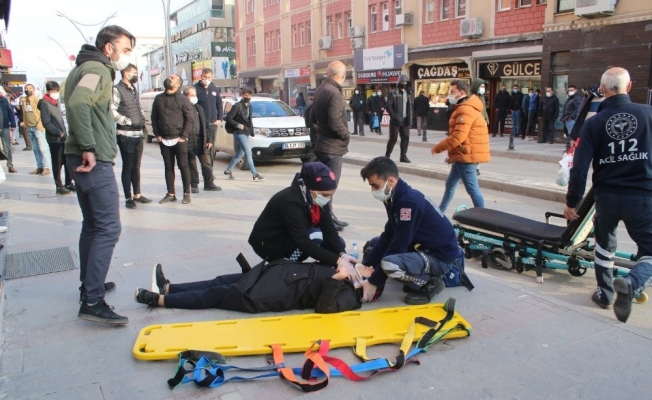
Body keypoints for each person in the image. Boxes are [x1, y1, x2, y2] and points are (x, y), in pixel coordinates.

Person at [564, 67, 652, 323]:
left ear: (602, 90)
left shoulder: (593, 124)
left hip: (607, 197)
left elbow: (579, 168)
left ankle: (604, 293)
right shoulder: (648, 115)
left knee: (605, 244)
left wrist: (572, 203)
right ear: (630, 86)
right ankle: (633, 282)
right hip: (642, 197)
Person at [64, 25, 136, 325]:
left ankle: (89, 285)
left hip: (79, 155)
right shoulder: (98, 68)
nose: (127, 56)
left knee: (93, 226)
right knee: (108, 229)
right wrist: (90, 147)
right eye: (125, 49)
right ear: (109, 47)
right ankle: (92, 301)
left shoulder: (82, 67)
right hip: (93, 161)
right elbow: (79, 103)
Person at [357, 157, 464, 305]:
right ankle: (415, 275)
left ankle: (430, 283)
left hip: (440, 258)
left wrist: (374, 281)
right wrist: (367, 266)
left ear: (391, 181)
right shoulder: (394, 197)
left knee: (389, 264)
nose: (374, 191)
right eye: (372, 186)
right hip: (421, 246)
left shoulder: (408, 202)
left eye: (375, 186)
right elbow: (389, 234)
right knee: (375, 244)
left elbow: (399, 244)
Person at [249, 162, 354, 271]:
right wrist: (338, 261)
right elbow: (303, 242)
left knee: (338, 243)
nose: (328, 199)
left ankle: (323, 272)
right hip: (272, 243)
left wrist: (342, 255)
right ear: (311, 189)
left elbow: (329, 229)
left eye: (331, 195)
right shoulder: (290, 200)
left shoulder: (317, 198)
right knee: (315, 236)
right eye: (325, 195)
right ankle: (284, 267)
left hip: (293, 237)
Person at [134, 261, 360, 312]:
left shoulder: (352, 296)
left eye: (367, 268)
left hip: (266, 294)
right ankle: (168, 288)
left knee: (215, 294)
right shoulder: (348, 271)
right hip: (271, 275)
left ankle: (159, 300)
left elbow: (325, 308)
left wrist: (336, 279)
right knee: (219, 281)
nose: (363, 265)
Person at [431, 79, 490, 213]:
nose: (450, 95)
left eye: (452, 92)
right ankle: (440, 213)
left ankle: (484, 218)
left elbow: (459, 136)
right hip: (461, 154)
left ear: (462, 92)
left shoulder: (465, 109)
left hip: (466, 155)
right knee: (450, 184)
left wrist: (438, 148)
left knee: (472, 189)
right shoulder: (464, 107)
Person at [309, 60, 351, 230]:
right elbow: (335, 122)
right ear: (343, 76)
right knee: (330, 185)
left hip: (322, 143)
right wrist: (346, 135)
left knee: (323, 184)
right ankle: (327, 219)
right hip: (332, 147)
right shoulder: (334, 93)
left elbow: (312, 115)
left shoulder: (321, 89)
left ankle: (326, 215)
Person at [111, 64, 153, 209]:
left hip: (138, 133)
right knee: (128, 166)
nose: (136, 75)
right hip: (125, 134)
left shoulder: (133, 89)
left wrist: (141, 119)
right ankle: (128, 197)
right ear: (126, 73)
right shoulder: (117, 89)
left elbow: (137, 106)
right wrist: (127, 121)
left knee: (136, 166)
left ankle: (138, 194)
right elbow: (111, 110)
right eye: (134, 72)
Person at [151, 74, 194, 204]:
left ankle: (186, 193)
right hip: (164, 139)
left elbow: (189, 118)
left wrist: (183, 136)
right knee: (168, 167)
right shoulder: (158, 98)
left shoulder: (183, 99)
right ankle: (171, 193)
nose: (169, 77)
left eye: (173, 78)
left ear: (177, 85)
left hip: (179, 139)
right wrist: (157, 134)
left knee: (183, 166)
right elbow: (154, 117)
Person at [38, 81, 74, 194]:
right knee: (57, 163)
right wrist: (58, 132)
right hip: (55, 139)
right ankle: (59, 186)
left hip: (64, 137)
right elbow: (46, 122)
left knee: (67, 161)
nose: (55, 93)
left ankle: (69, 183)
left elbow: (61, 120)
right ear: (48, 91)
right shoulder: (44, 103)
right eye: (53, 91)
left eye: (56, 91)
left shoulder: (56, 102)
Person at [182, 86, 221, 192]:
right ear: (186, 96)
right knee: (191, 163)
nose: (195, 97)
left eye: (195, 95)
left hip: (201, 139)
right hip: (189, 140)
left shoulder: (199, 108)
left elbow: (206, 125)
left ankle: (209, 183)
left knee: (206, 162)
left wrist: (208, 139)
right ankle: (194, 184)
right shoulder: (182, 108)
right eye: (192, 95)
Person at [223, 87, 264, 181]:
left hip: (246, 132)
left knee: (239, 154)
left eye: (249, 95)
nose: (248, 97)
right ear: (241, 95)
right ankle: (255, 174)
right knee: (248, 152)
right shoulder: (237, 106)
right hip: (239, 132)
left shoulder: (249, 106)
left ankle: (228, 170)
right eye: (246, 95)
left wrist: (252, 132)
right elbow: (229, 118)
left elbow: (250, 120)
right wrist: (238, 125)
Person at [20, 84, 52, 176]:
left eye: (30, 88)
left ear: (33, 90)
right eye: (26, 88)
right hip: (29, 127)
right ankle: (40, 167)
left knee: (43, 148)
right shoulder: (24, 101)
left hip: (38, 127)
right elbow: (24, 113)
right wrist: (25, 124)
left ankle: (46, 167)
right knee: (35, 148)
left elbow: (42, 113)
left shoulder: (38, 100)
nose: (27, 90)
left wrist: (39, 124)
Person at [193, 68, 223, 165]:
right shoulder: (195, 89)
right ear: (201, 77)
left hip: (213, 123)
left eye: (209, 77)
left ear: (212, 78)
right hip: (201, 123)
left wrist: (219, 119)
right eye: (205, 77)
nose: (206, 79)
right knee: (203, 147)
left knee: (211, 147)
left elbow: (219, 104)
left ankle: (210, 170)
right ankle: (205, 168)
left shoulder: (214, 89)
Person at [385, 75, 412, 163]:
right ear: (399, 82)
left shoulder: (408, 93)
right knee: (393, 138)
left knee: (405, 138)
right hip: (395, 121)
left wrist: (410, 119)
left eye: (406, 82)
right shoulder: (393, 93)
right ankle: (387, 156)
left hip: (405, 120)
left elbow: (409, 107)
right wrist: (394, 116)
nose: (404, 84)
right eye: (403, 82)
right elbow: (388, 106)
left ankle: (403, 156)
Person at [0, 88, 16, 173]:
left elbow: (10, 112)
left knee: (7, 147)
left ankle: (10, 165)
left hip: (5, 126)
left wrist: (13, 124)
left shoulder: (4, 100)